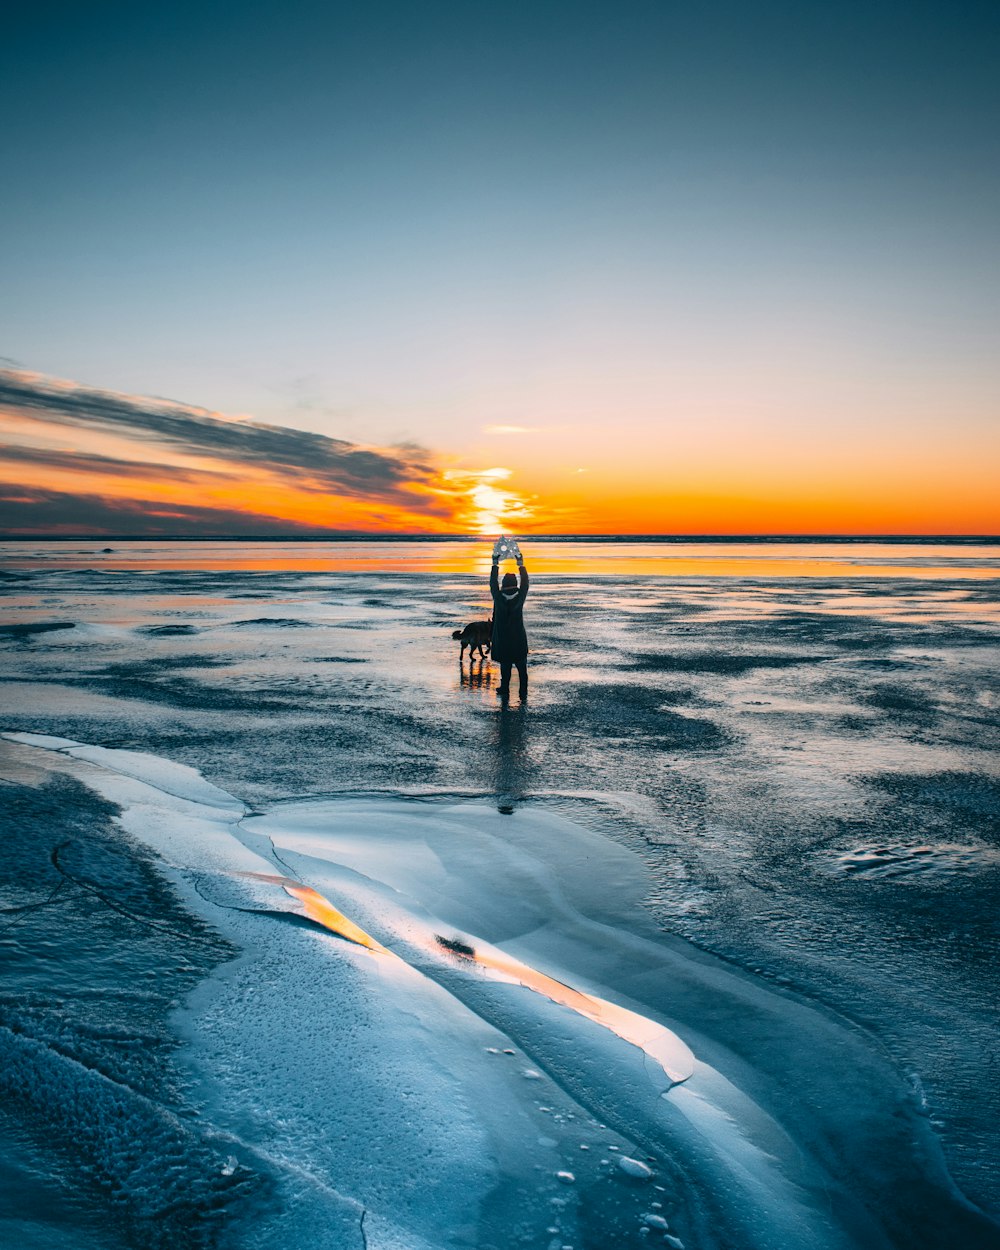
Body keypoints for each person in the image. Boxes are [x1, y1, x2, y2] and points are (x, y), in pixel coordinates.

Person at [489, 536, 529, 702]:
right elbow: (526, 584)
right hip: (518, 640)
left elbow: (492, 584)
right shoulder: (519, 597)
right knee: (522, 670)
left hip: (504, 641)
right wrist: (521, 564)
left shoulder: (499, 597)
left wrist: (495, 564)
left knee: (505, 669)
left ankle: (504, 689)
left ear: (503, 584)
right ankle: (523, 693)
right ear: (515, 585)